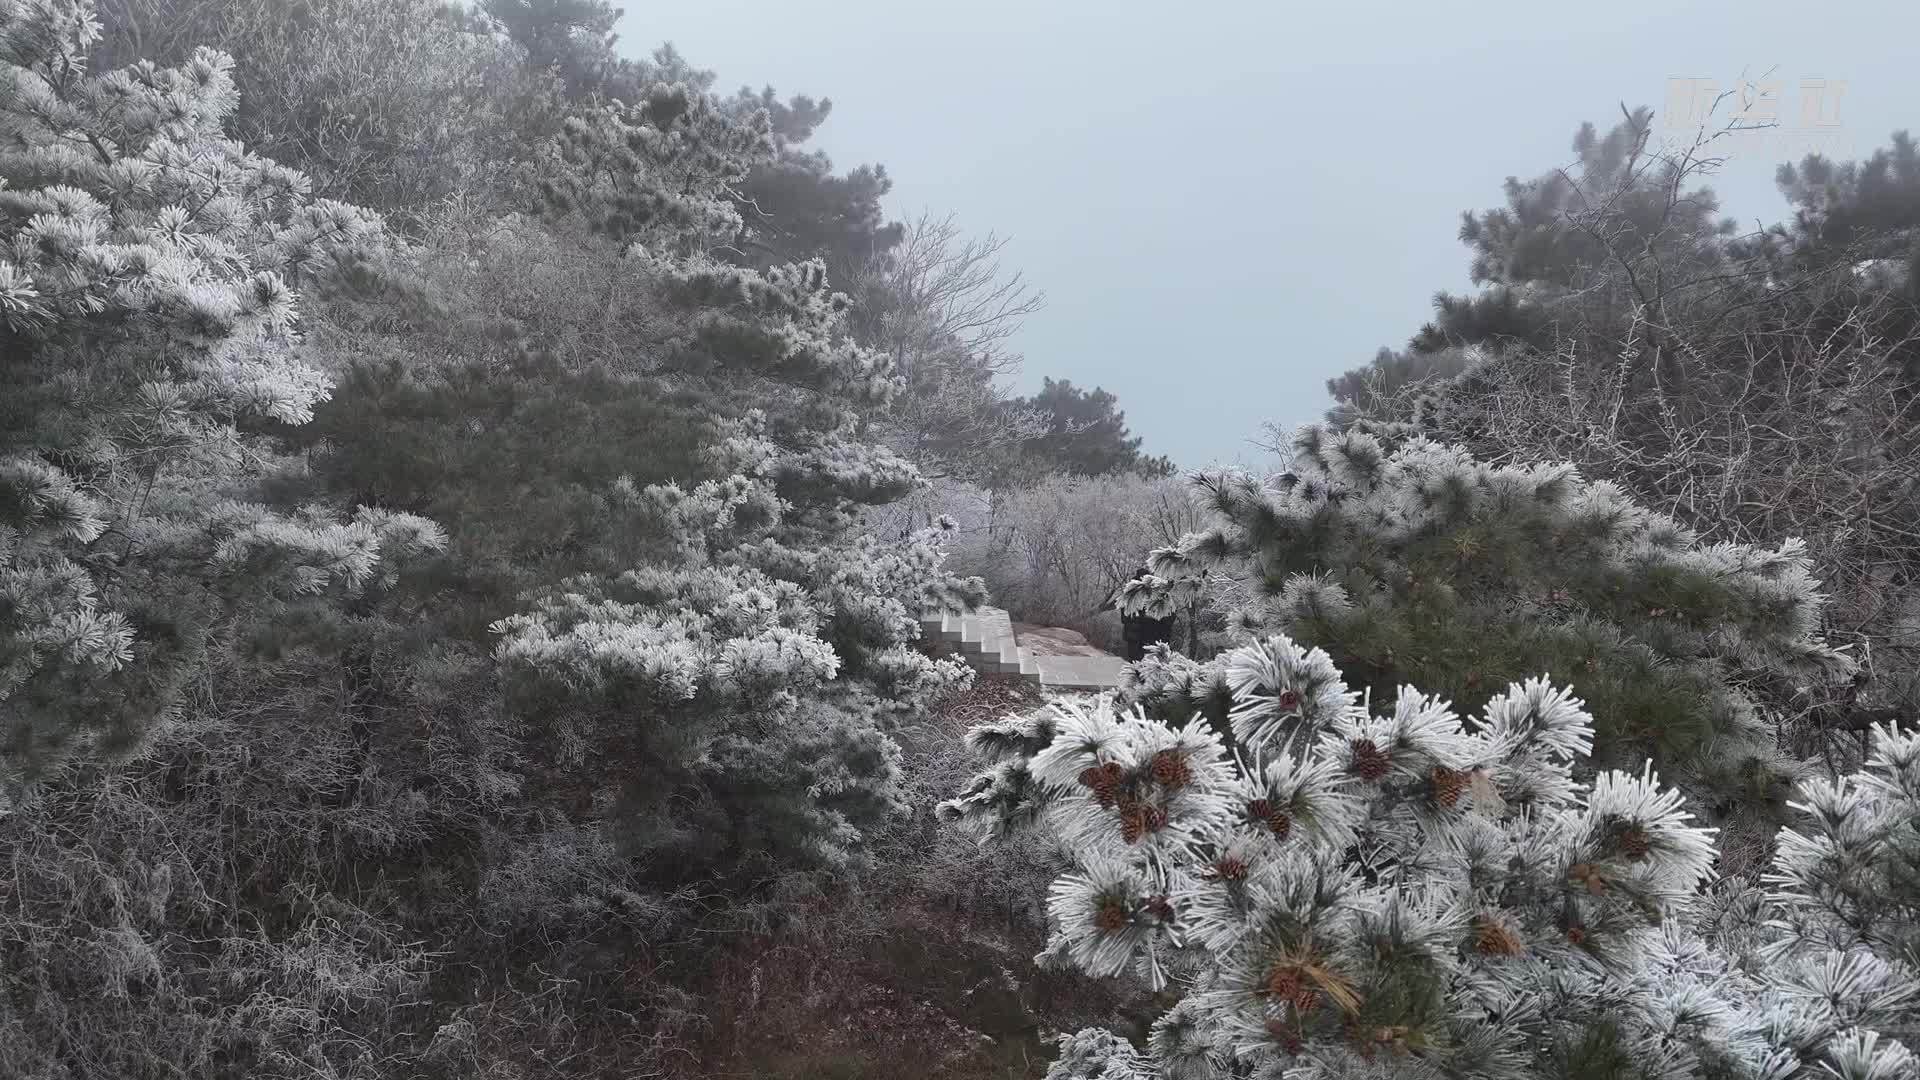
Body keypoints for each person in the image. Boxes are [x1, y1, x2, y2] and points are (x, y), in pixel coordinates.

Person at [1113, 567, 1174, 662]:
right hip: (1147, 634)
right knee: (1147, 661)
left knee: (1136, 660)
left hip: (1138, 634)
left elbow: (1124, 617)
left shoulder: (1130, 594)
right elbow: (1169, 616)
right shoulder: (1154, 593)